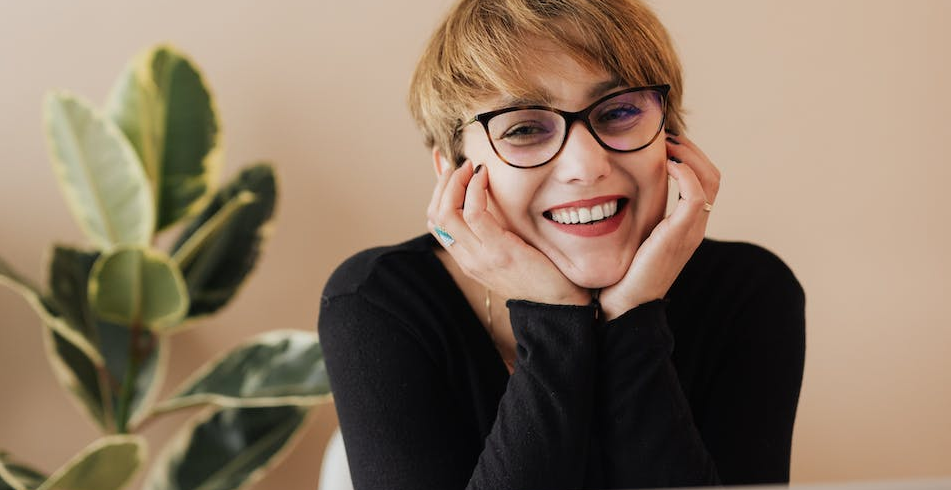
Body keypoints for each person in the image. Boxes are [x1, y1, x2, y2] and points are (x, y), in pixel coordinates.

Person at [318, 0, 805, 488]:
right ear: (452, 170)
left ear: (670, 137)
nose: (586, 166)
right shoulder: (378, 303)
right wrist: (553, 317)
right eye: (525, 129)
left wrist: (632, 317)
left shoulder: (749, 293)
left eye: (618, 112)